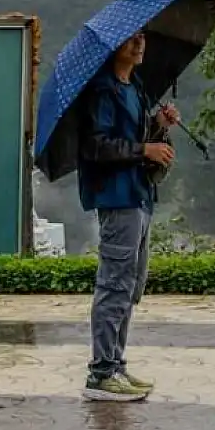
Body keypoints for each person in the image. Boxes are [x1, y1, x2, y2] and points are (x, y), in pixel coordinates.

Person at [76, 31, 177, 402]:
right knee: (114, 283)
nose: (139, 45)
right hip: (117, 197)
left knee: (131, 283)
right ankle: (101, 372)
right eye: (130, 40)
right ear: (113, 45)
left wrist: (159, 127)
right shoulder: (102, 90)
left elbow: (139, 138)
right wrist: (144, 149)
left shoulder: (134, 86)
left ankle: (116, 364)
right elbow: (94, 146)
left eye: (142, 38)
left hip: (141, 195)